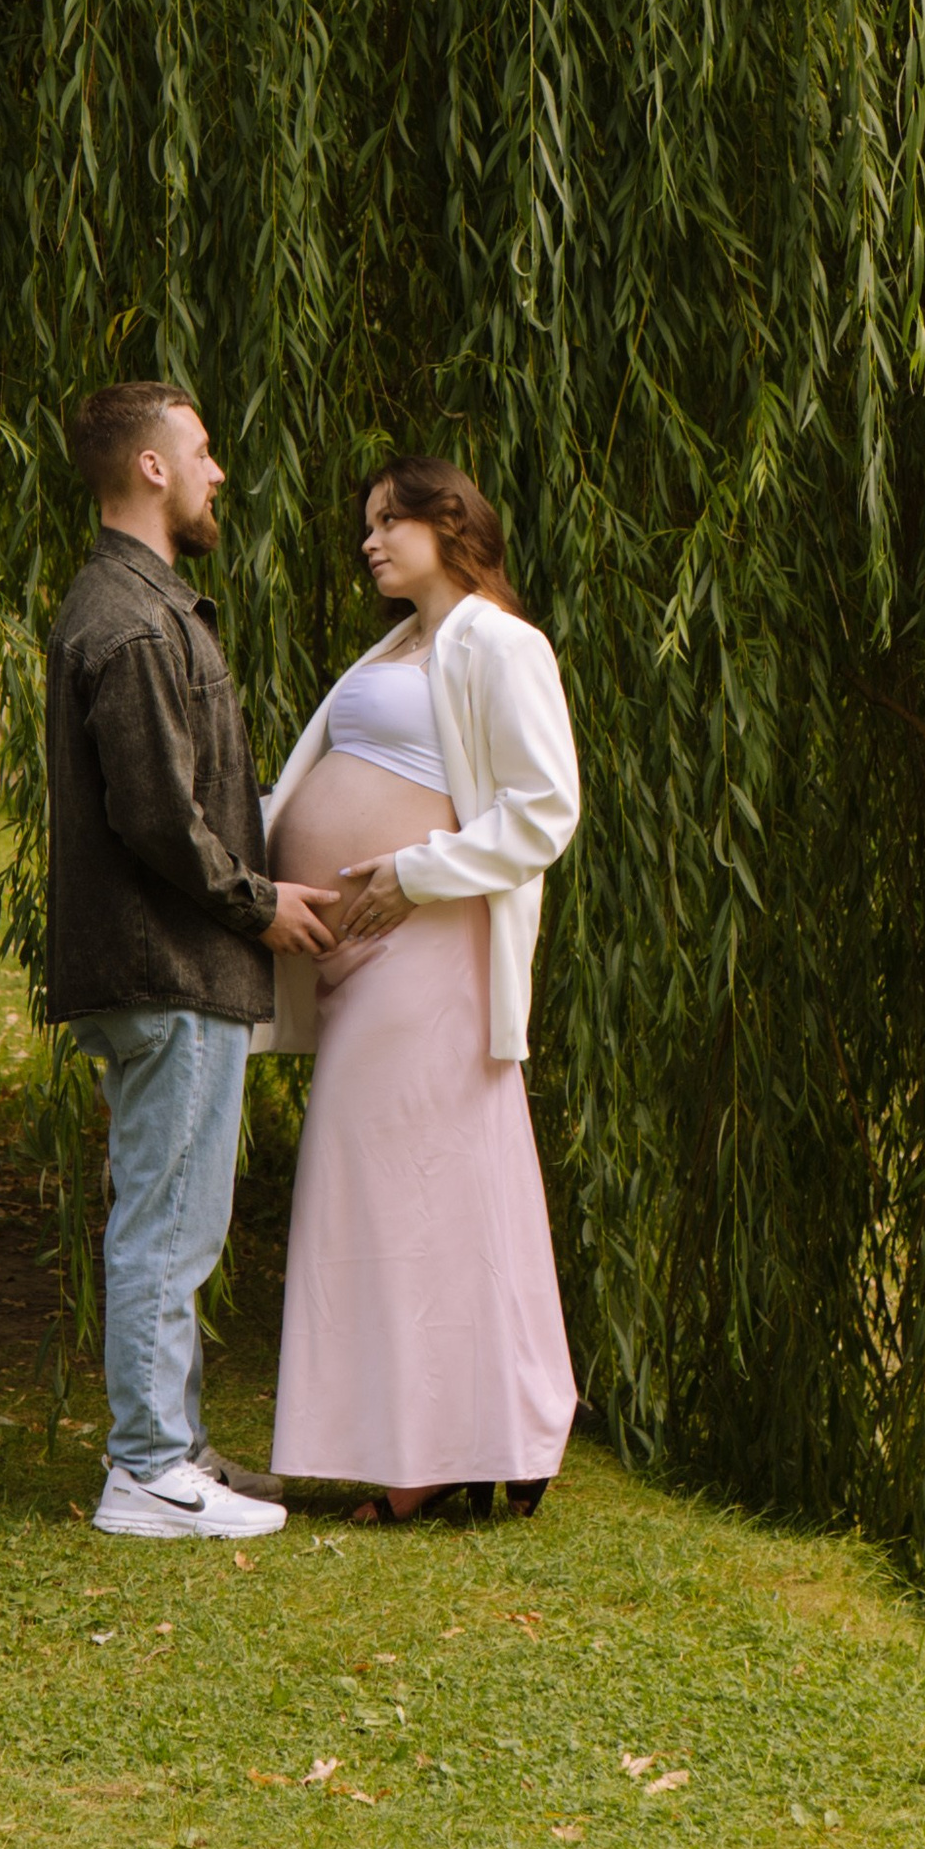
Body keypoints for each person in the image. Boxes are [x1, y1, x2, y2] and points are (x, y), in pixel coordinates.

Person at [44, 382, 339, 1539]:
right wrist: (257, 906)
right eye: (203, 452)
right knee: (168, 1224)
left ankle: (178, 1450)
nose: (220, 473)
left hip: (167, 968)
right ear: (152, 468)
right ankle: (147, 1472)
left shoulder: (142, 606)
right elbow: (158, 814)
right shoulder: (129, 621)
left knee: (175, 1217)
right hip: (167, 965)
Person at [260, 456, 582, 1517]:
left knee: (410, 1189)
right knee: (397, 1189)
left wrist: (414, 871)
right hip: (358, 957)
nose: (368, 541)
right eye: (366, 523)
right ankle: (462, 1439)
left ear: (448, 524)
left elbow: (545, 808)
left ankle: (437, 1456)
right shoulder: (397, 645)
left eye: (387, 521)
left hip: (430, 946)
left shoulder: (500, 643)